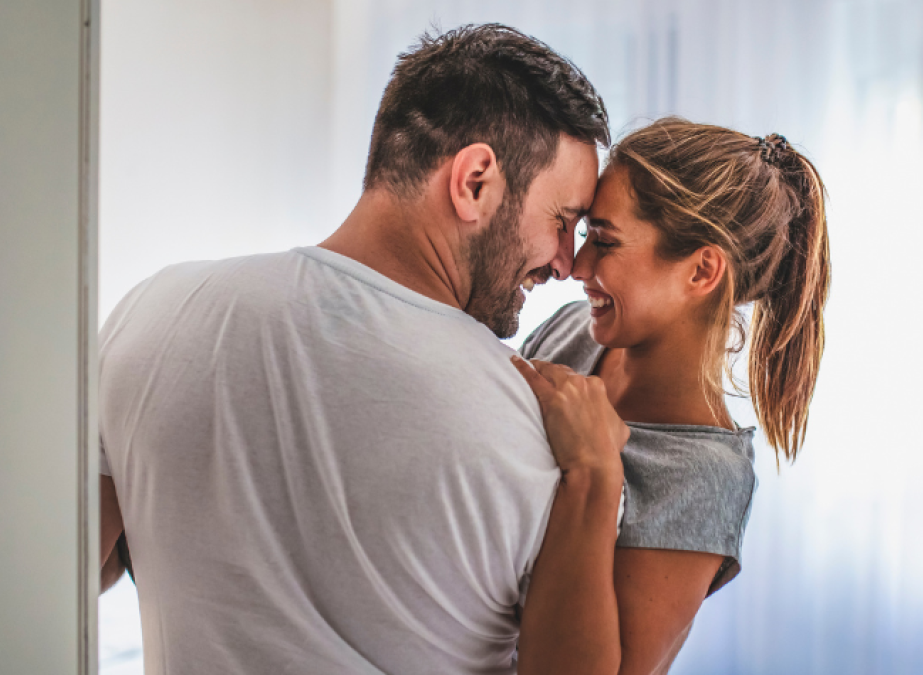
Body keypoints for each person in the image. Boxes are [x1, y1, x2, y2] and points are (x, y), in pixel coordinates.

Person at [96, 24, 619, 674]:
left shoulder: (151, 313)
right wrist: (596, 476)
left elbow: (64, 568)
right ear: (475, 181)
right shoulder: (532, 422)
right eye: (563, 222)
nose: (567, 263)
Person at [509, 117, 831, 674]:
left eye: (605, 241)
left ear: (702, 270)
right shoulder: (570, 330)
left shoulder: (703, 474)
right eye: (585, 234)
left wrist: (596, 469)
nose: (577, 266)